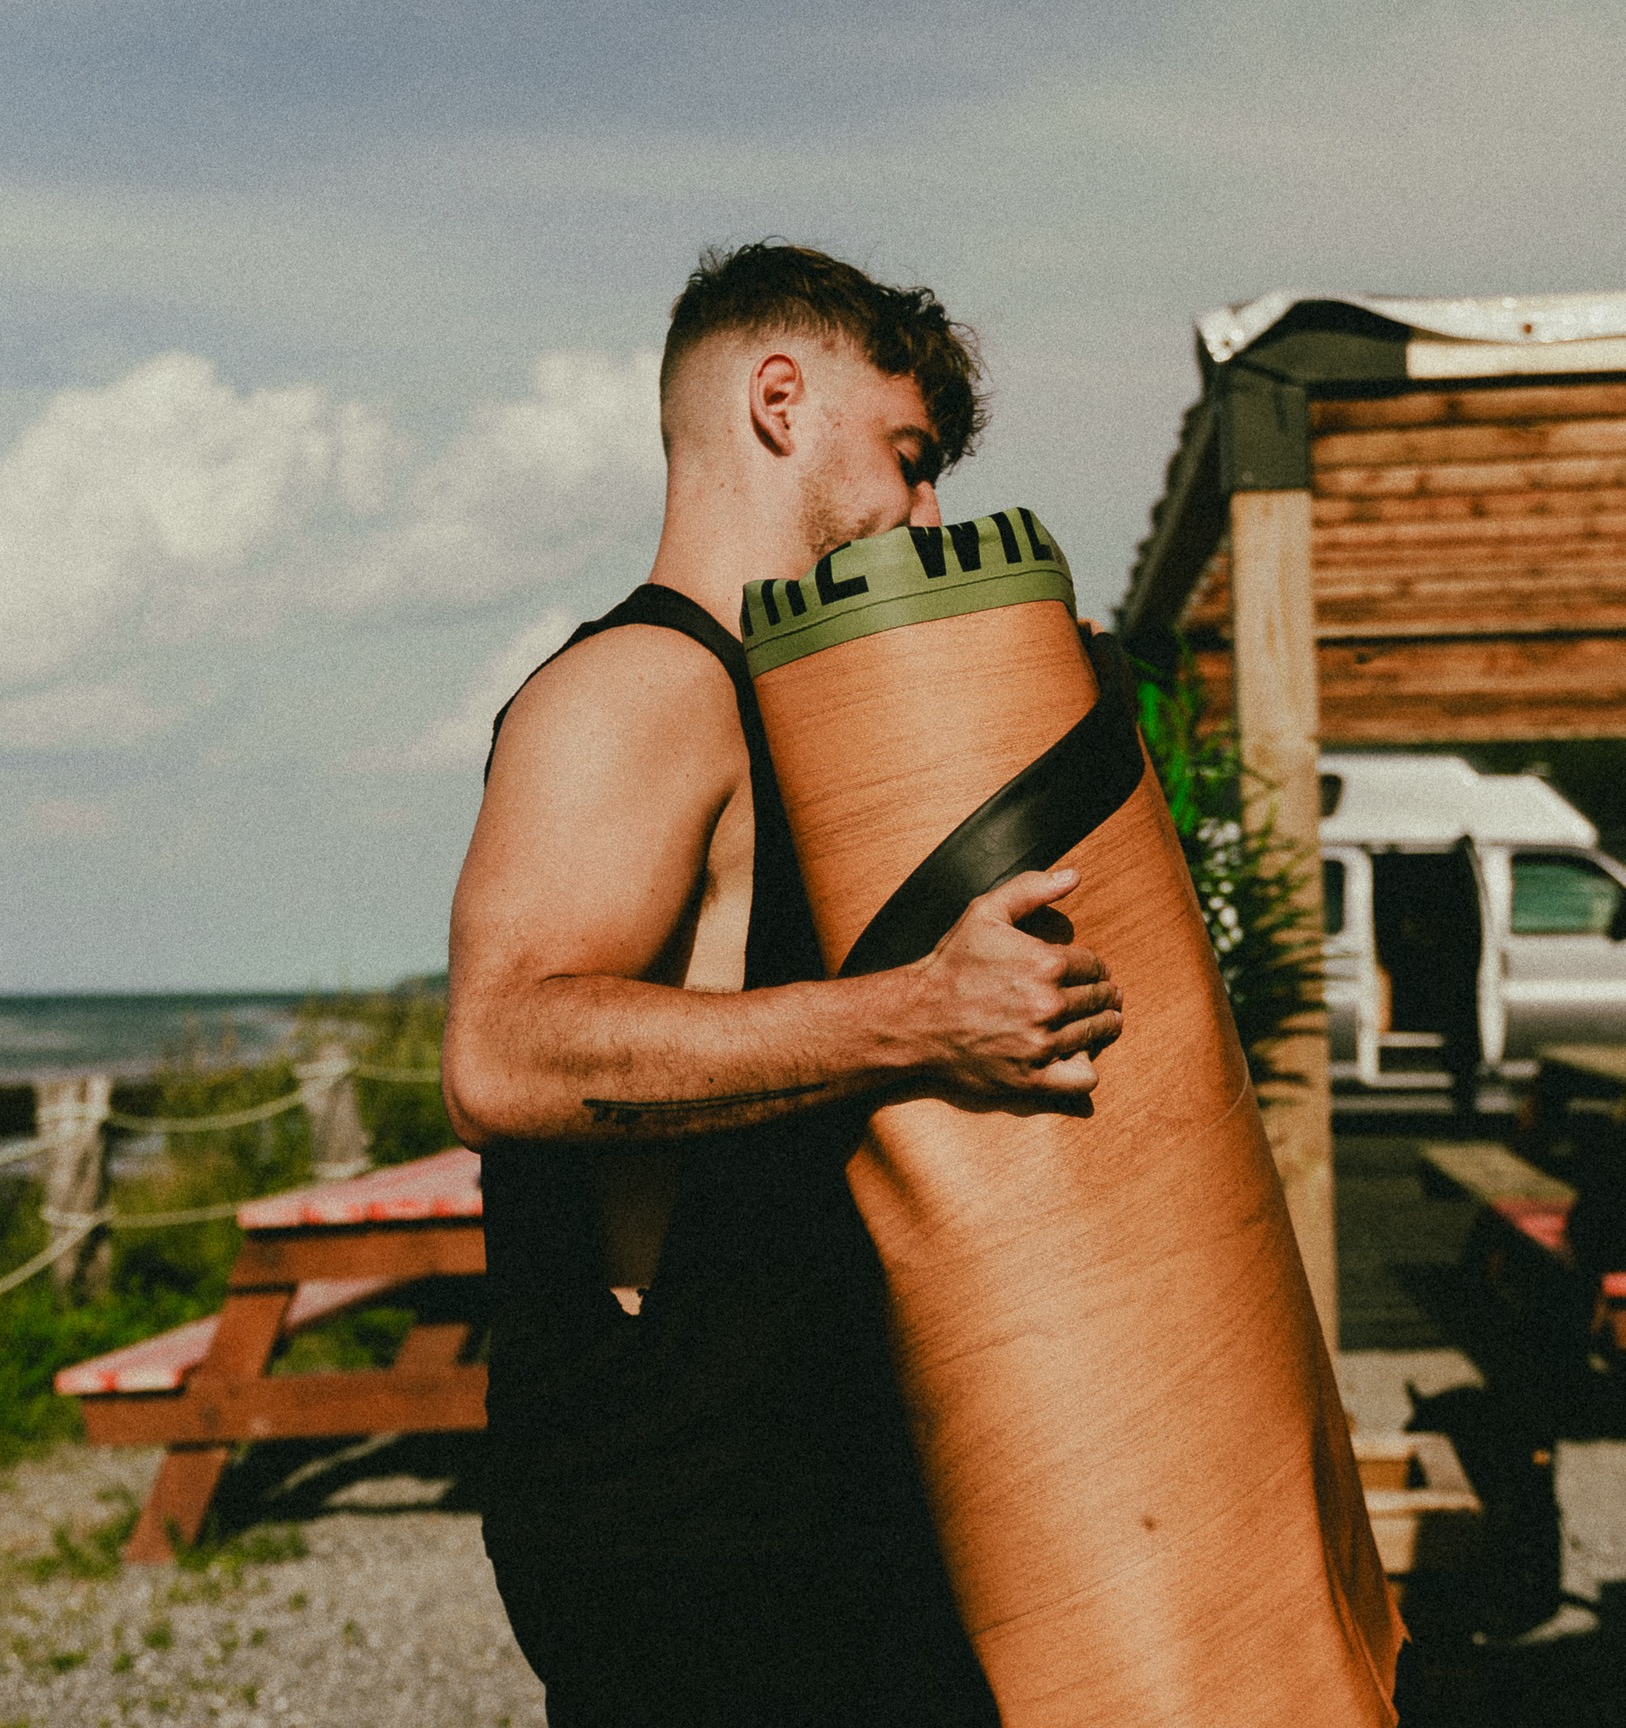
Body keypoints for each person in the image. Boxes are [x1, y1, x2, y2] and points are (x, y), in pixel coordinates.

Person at [443, 243, 1125, 1726]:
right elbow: (501, 1053)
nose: (924, 512)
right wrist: (923, 1016)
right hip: (695, 1534)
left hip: (815, 1501)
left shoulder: (779, 707)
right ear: (776, 401)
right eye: (908, 456)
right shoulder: (637, 686)